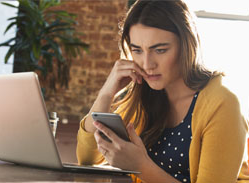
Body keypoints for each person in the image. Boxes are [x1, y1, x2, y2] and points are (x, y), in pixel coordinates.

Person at [76, 0, 249, 182]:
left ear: (187, 46)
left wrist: (141, 167)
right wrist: (106, 93)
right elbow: (87, 160)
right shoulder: (146, 95)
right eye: (137, 50)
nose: (147, 64)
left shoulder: (223, 104)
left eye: (160, 50)